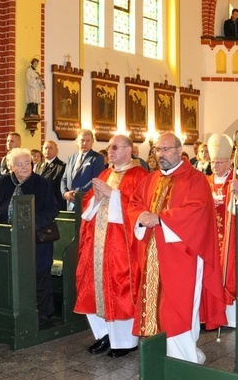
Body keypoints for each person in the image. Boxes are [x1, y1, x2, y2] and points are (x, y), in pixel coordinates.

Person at [127, 133, 227, 363]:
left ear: (180, 150)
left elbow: (197, 211)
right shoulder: (150, 179)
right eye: (157, 150)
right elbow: (134, 203)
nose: (160, 154)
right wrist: (142, 215)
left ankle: (186, 358)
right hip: (153, 254)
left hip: (184, 256)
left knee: (178, 307)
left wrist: (160, 219)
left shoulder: (195, 179)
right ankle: (164, 354)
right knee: (156, 305)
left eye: (165, 149)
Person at [75, 135, 148, 358]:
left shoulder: (140, 175)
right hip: (98, 243)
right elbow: (88, 203)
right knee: (93, 287)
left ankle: (126, 340)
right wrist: (96, 198)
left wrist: (112, 195)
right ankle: (104, 335)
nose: (111, 152)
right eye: (109, 148)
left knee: (121, 288)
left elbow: (139, 207)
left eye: (115, 147)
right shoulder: (106, 173)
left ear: (129, 150)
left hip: (121, 246)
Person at [0, 147, 59, 329]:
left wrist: (30, 226)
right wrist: (0, 226)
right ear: (11, 166)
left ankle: (45, 316)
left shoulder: (42, 183)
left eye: (27, 163)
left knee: (39, 277)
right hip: (11, 238)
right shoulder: (4, 182)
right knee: (15, 276)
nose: (25, 167)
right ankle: (19, 314)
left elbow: (52, 210)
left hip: (37, 240)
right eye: (19, 164)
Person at [207, 133, 238, 327]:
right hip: (210, 237)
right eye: (213, 162)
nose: (215, 166)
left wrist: (237, 195)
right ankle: (210, 315)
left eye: (219, 162)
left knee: (228, 273)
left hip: (230, 238)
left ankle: (230, 318)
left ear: (229, 163)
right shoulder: (205, 181)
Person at [60, 129, 105, 210]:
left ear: (92, 142)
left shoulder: (97, 158)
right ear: (77, 141)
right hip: (70, 201)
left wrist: (77, 192)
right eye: (82, 140)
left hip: (86, 200)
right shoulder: (71, 157)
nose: (84, 143)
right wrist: (65, 193)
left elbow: (96, 179)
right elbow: (64, 178)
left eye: (88, 141)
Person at [34, 140, 67, 211]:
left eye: (51, 148)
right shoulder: (38, 165)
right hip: (40, 203)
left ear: (56, 151)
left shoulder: (61, 166)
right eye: (45, 148)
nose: (47, 150)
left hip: (54, 203)